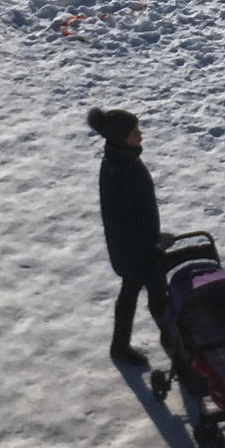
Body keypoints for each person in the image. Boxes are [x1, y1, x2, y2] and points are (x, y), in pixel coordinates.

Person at [91, 106, 167, 367]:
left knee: (131, 290)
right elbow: (126, 219)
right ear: (123, 137)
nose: (141, 134)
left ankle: (120, 346)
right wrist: (151, 245)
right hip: (137, 250)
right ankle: (176, 342)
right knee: (159, 296)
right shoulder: (120, 169)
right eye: (135, 131)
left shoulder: (122, 159)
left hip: (131, 248)